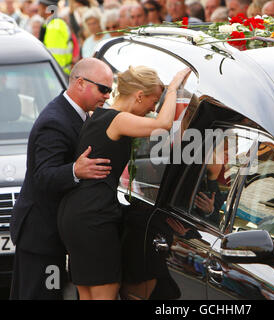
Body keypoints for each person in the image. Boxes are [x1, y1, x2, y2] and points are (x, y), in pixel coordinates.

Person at [57, 65, 191, 300]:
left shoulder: (98, 116)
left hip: (76, 214)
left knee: (88, 294)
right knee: (104, 292)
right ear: (139, 95)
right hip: (93, 217)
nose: (153, 108)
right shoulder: (116, 120)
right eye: (153, 101)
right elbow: (163, 125)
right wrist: (172, 89)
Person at [9, 57, 113, 300]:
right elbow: (43, 176)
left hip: (52, 236)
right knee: (43, 295)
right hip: (41, 237)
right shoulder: (55, 121)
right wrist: (75, 171)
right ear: (80, 83)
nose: (107, 96)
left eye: (110, 90)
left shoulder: (78, 114)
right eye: (103, 89)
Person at [37, 0, 73, 75]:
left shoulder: (54, 27)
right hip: (56, 74)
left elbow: (56, 57)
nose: (38, 8)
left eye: (40, 6)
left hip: (55, 75)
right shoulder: (51, 24)